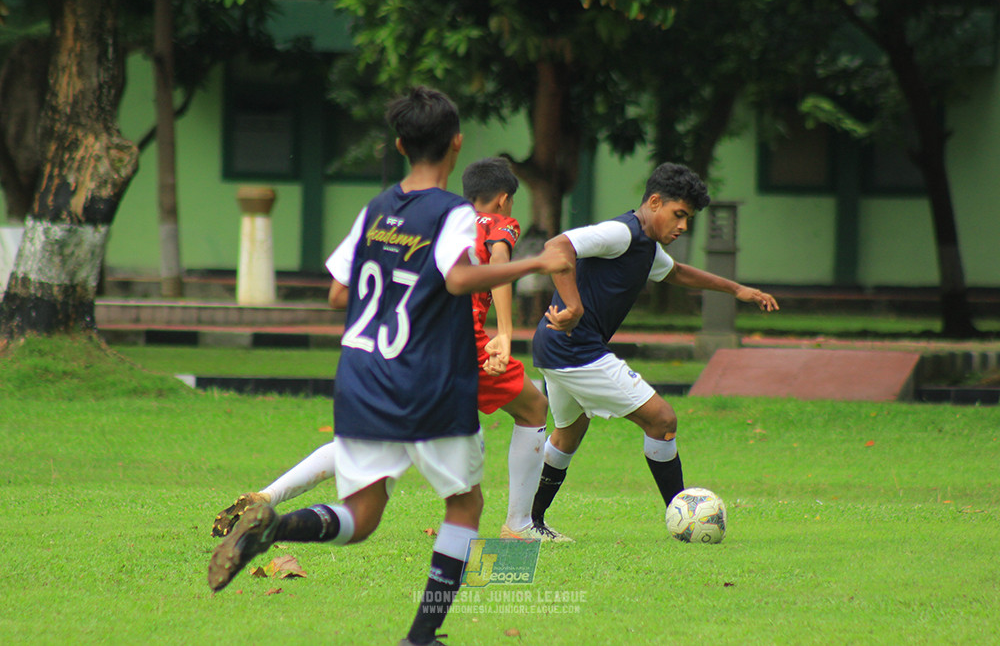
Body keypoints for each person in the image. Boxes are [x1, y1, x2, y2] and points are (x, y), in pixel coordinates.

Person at [206, 86, 568, 646]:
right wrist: (537, 262)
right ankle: (421, 638)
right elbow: (457, 279)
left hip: (363, 377)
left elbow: (335, 294)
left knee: (362, 517)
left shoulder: (375, 209)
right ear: (456, 143)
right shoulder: (451, 214)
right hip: (428, 380)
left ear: (400, 145)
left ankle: (274, 527)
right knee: (465, 503)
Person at [528, 162, 779, 541]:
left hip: (557, 348)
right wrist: (574, 306)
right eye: (679, 215)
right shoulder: (621, 233)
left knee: (569, 433)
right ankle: (683, 519)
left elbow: (676, 272)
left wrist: (737, 290)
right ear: (655, 202)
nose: (683, 226)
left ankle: (530, 523)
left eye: (688, 218)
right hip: (574, 349)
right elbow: (558, 246)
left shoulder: (647, 247)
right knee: (662, 420)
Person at [461, 157, 565, 542]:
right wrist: (504, 333)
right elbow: (501, 263)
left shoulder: (443, 223)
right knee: (535, 407)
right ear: (504, 199)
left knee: (381, 438)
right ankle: (519, 525)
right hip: (463, 344)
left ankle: (272, 494)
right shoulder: (498, 224)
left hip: (415, 343)